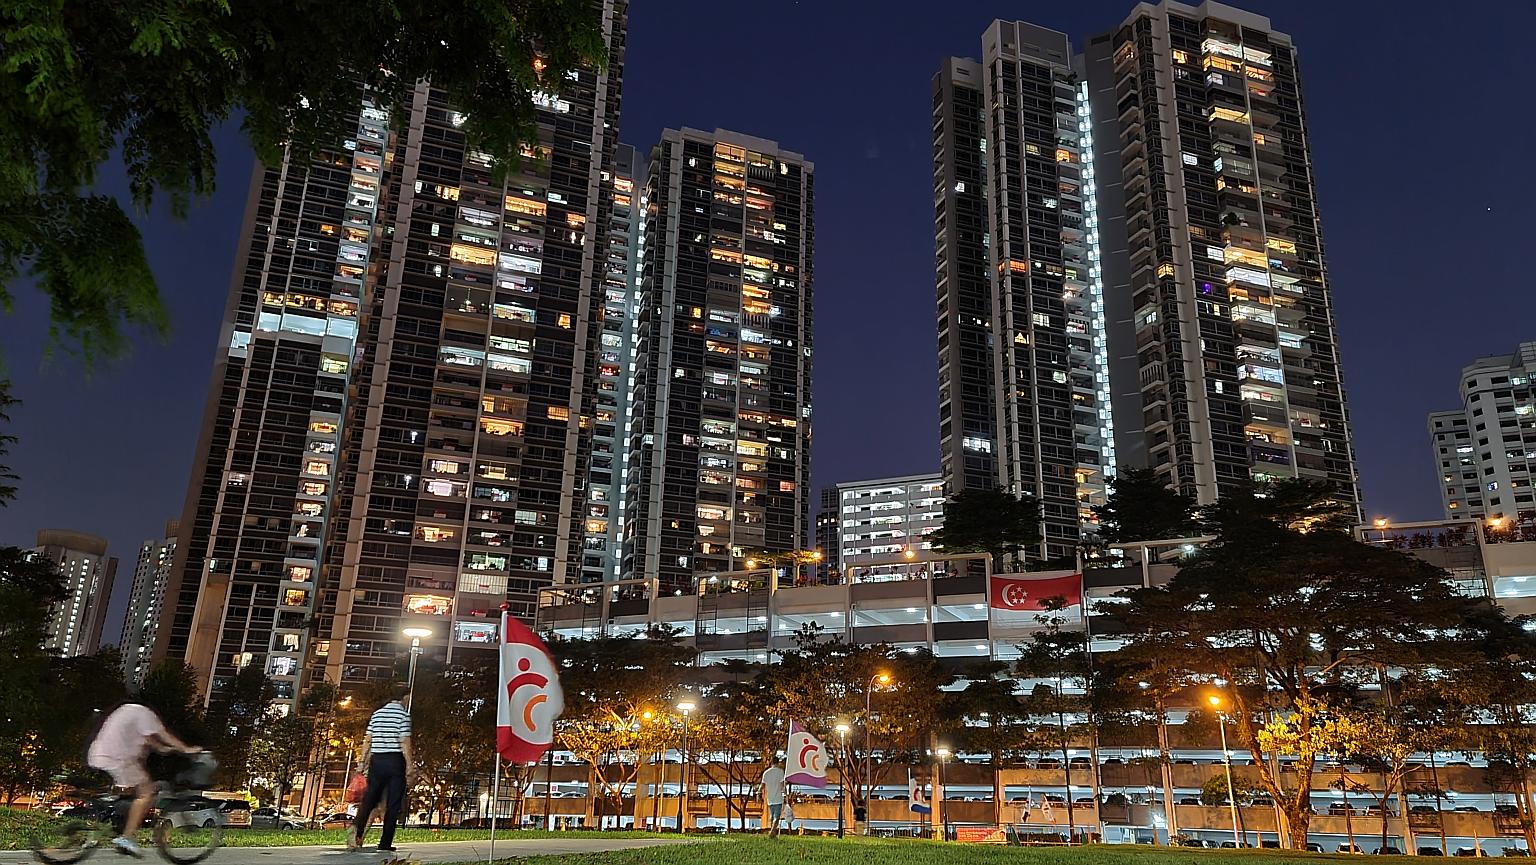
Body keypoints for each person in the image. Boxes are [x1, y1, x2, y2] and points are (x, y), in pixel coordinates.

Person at [86, 702, 198, 857]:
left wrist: (161, 748)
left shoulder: (128, 710)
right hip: (117, 758)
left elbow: (148, 739)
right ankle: (127, 838)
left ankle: (100, 824)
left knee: (125, 791)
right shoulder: (146, 714)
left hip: (98, 754)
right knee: (146, 793)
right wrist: (185, 749)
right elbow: (165, 735)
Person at [349, 687, 414, 852]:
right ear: (403, 698)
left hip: (376, 761)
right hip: (395, 761)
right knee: (393, 803)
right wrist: (409, 764)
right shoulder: (403, 715)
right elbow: (404, 742)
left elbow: (367, 740)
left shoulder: (376, 714)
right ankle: (385, 843)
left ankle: (357, 829)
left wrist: (362, 762)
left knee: (370, 798)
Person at [760, 762, 785, 838]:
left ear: (771, 763)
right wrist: (785, 793)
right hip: (778, 797)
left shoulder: (766, 773)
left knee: (772, 816)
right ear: (777, 763)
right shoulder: (780, 772)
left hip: (770, 798)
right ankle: (772, 831)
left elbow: (762, 785)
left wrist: (758, 792)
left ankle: (773, 833)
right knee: (776, 817)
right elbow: (782, 784)